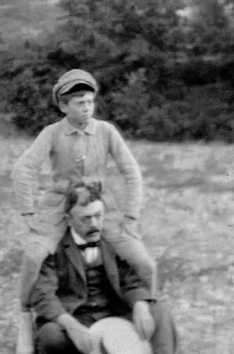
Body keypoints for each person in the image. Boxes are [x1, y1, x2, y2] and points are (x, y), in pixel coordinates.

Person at [11, 69, 159, 354]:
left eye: (90, 101)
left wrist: (130, 216)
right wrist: (28, 213)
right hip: (60, 207)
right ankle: (25, 318)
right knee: (34, 257)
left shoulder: (106, 131)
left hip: (100, 205)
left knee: (144, 263)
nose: (87, 107)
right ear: (63, 106)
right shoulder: (52, 133)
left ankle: (139, 321)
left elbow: (132, 171)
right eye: (79, 103)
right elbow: (24, 169)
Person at [29, 181, 177, 354]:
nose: (94, 224)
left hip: (114, 314)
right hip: (74, 318)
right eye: (85, 218)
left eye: (98, 215)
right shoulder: (51, 247)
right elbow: (43, 296)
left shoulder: (113, 240)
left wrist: (139, 304)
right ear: (69, 220)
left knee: (157, 309)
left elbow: (130, 278)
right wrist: (71, 325)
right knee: (50, 336)